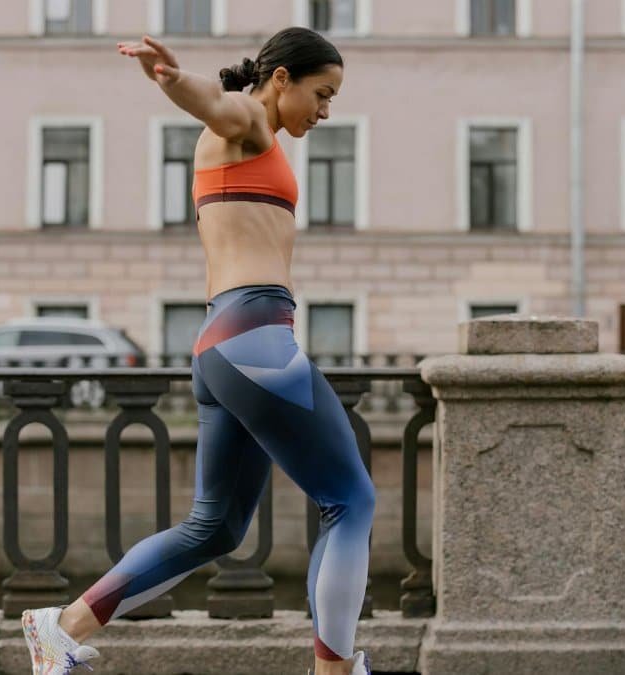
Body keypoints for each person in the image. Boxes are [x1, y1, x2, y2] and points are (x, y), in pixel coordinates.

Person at [21, 27, 375, 675]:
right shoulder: (249, 122)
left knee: (215, 527)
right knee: (351, 500)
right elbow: (217, 103)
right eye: (322, 94)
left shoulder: (254, 139)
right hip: (256, 339)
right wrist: (172, 78)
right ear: (280, 80)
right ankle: (334, 671)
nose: (326, 111)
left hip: (222, 345)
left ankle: (61, 628)